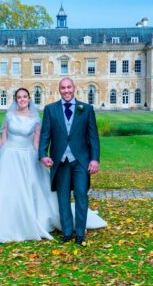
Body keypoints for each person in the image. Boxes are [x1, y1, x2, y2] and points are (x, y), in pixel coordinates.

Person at [0, 87, 106, 243]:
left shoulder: (35, 119)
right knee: (5, 190)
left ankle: (34, 221)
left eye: (25, 96)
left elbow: (37, 142)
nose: (22, 99)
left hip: (27, 156)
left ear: (29, 99)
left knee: (29, 190)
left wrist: (42, 157)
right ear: (16, 99)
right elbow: (3, 139)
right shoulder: (9, 116)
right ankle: (3, 223)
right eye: (19, 97)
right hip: (9, 156)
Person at [39, 77, 100, 246]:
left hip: (81, 160)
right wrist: (43, 154)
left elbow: (93, 136)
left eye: (69, 87)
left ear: (74, 88)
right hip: (60, 161)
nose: (66, 90)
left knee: (81, 194)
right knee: (63, 197)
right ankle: (67, 232)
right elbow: (45, 135)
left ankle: (80, 233)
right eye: (63, 88)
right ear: (59, 90)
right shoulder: (50, 109)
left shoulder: (86, 109)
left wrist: (95, 159)